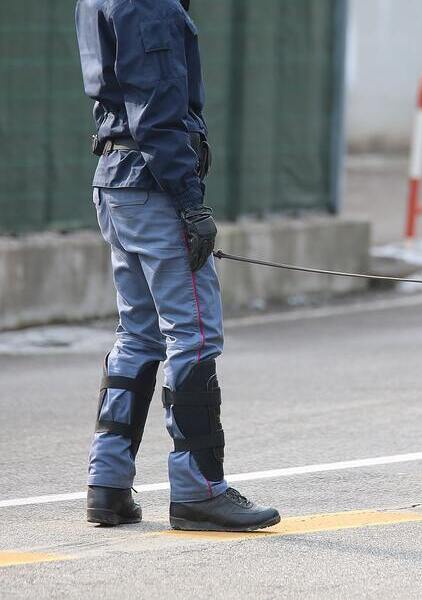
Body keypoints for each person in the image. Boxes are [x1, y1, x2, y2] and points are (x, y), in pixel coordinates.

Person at [75, 0, 280, 531]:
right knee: (194, 334)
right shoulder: (151, 4)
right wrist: (191, 203)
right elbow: (158, 109)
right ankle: (199, 489)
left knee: (138, 334)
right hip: (152, 184)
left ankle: (108, 484)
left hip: (115, 177)